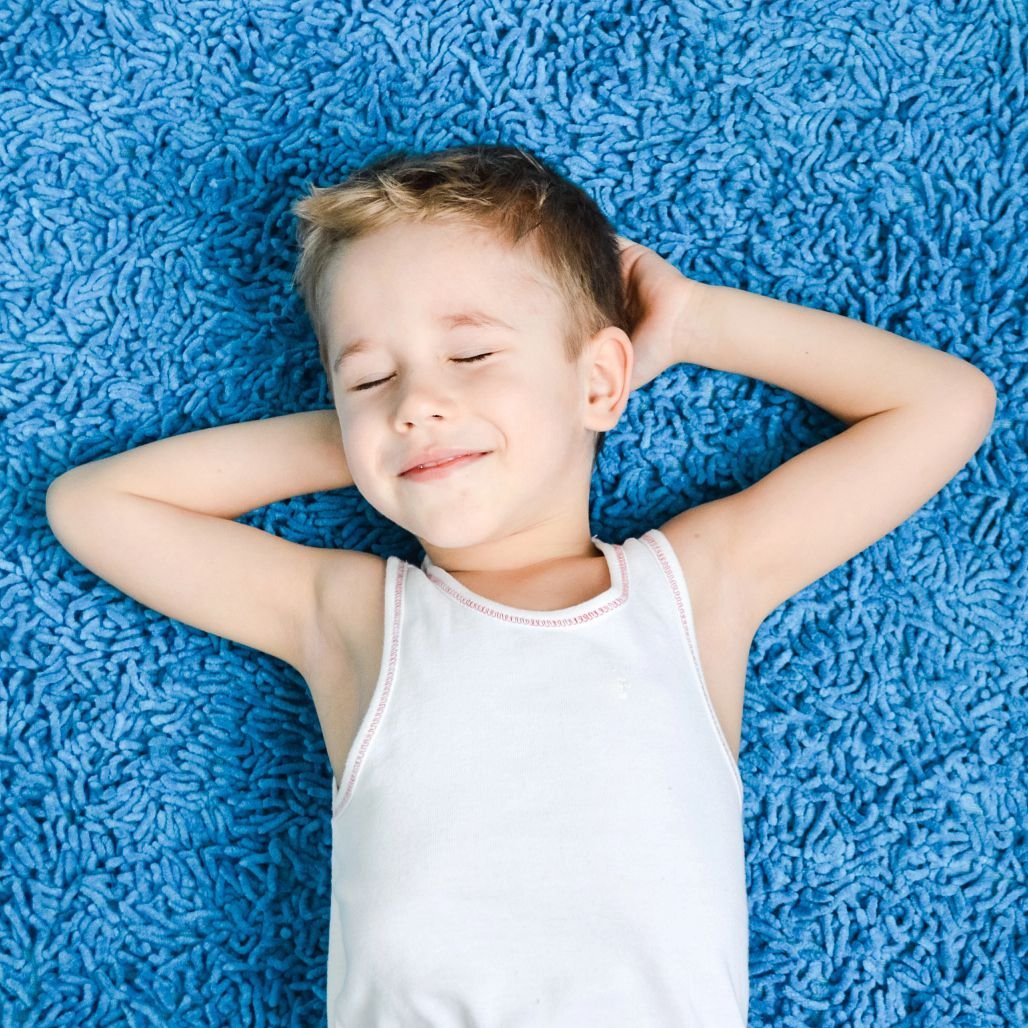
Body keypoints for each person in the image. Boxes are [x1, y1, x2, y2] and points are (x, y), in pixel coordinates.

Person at [44, 143, 996, 1026]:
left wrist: (696, 321)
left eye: (469, 357)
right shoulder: (356, 621)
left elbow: (946, 403)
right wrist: (372, 438)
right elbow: (97, 506)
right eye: (369, 374)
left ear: (598, 384)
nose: (420, 400)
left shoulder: (694, 589)